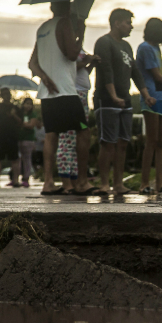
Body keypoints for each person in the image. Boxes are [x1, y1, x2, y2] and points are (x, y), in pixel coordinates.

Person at [29, 0, 100, 196]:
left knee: (52, 135)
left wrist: (44, 78)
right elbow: (71, 54)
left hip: (47, 93)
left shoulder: (43, 28)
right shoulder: (64, 24)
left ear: (51, 7)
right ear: (68, 9)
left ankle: (49, 182)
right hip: (66, 92)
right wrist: (81, 34)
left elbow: (32, 63)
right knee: (84, 131)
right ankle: (82, 181)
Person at [94, 9, 151, 195]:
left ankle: (118, 184)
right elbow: (106, 70)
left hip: (125, 99)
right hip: (107, 99)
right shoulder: (104, 42)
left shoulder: (126, 46)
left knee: (123, 142)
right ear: (117, 23)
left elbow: (135, 71)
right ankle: (104, 184)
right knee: (107, 143)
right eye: (128, 22)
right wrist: (113, 96)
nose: (131, 26)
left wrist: (145, 94)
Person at [136, 18, 162, 196]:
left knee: (161, 142)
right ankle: (144, 183)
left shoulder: (157, 48)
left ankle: (159, 184)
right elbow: (157, 76)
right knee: (151, 141)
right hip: (152, 98)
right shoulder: (145, 48)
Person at [64, 16, 96, 193]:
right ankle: (70, 179)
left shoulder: (80, 49)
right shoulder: (70, 48)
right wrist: (87, 61)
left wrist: (91, 65)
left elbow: (83, 71)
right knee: (76, 133)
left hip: (84, 94)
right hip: (74, 94)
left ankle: (78, 179)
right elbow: (70, 68)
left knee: (83, 133)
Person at [0, 88, 22, 187]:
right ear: (1, 96)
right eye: (5, 94)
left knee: (15, 159)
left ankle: (15, 180)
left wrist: (14, 115)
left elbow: (20, 122)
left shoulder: (15, 108)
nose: (7, 96)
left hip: (12, 136)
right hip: (0, 136)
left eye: (8, 94)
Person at [17, 98, 39, 188]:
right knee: (17, 159)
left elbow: (31, 125)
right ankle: (15, 178)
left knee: (27, 159)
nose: (28, 106)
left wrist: (22, 123)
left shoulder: (33, 114)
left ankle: (26, 178)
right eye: (26, 103)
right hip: (18, 138)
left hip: (28, 139)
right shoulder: (20, 114)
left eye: (30, 104)